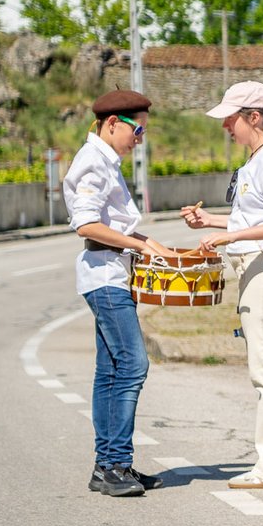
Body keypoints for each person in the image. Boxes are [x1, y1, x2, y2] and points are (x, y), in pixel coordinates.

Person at [182, 81, 263, 489]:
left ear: (254, 118)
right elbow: (259, 217)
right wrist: (215, 222)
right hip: (258, 264)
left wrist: (231, 237)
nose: (226, 127)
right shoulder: (262, 157)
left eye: (231, 119)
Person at [64, 90, 174, 497]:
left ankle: (111, 465)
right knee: (132, 366)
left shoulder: (106, 161)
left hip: (111, 274)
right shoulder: (92, 162)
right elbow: (87, 225)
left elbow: (119, 226)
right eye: (137, 128)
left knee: (111, 372)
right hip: (105, 278)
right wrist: (140, 246)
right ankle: (114, 464)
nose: (140, 138)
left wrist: (154, 244)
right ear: (113, 123)